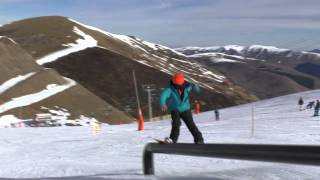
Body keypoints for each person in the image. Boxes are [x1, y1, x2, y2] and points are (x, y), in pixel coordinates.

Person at [160, 73, 204, 144]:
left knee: (191, 125)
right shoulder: (170, 89)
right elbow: (163, 95)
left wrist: (196, 86)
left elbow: (196, 89)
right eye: (176, 85)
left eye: (179, 85)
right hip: (175, 109)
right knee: (176, 123)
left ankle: (199, 139)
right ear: (173, 83)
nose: (178, 86)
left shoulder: (187, 87)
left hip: (185, 109)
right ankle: (173, 140)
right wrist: (163, 103)